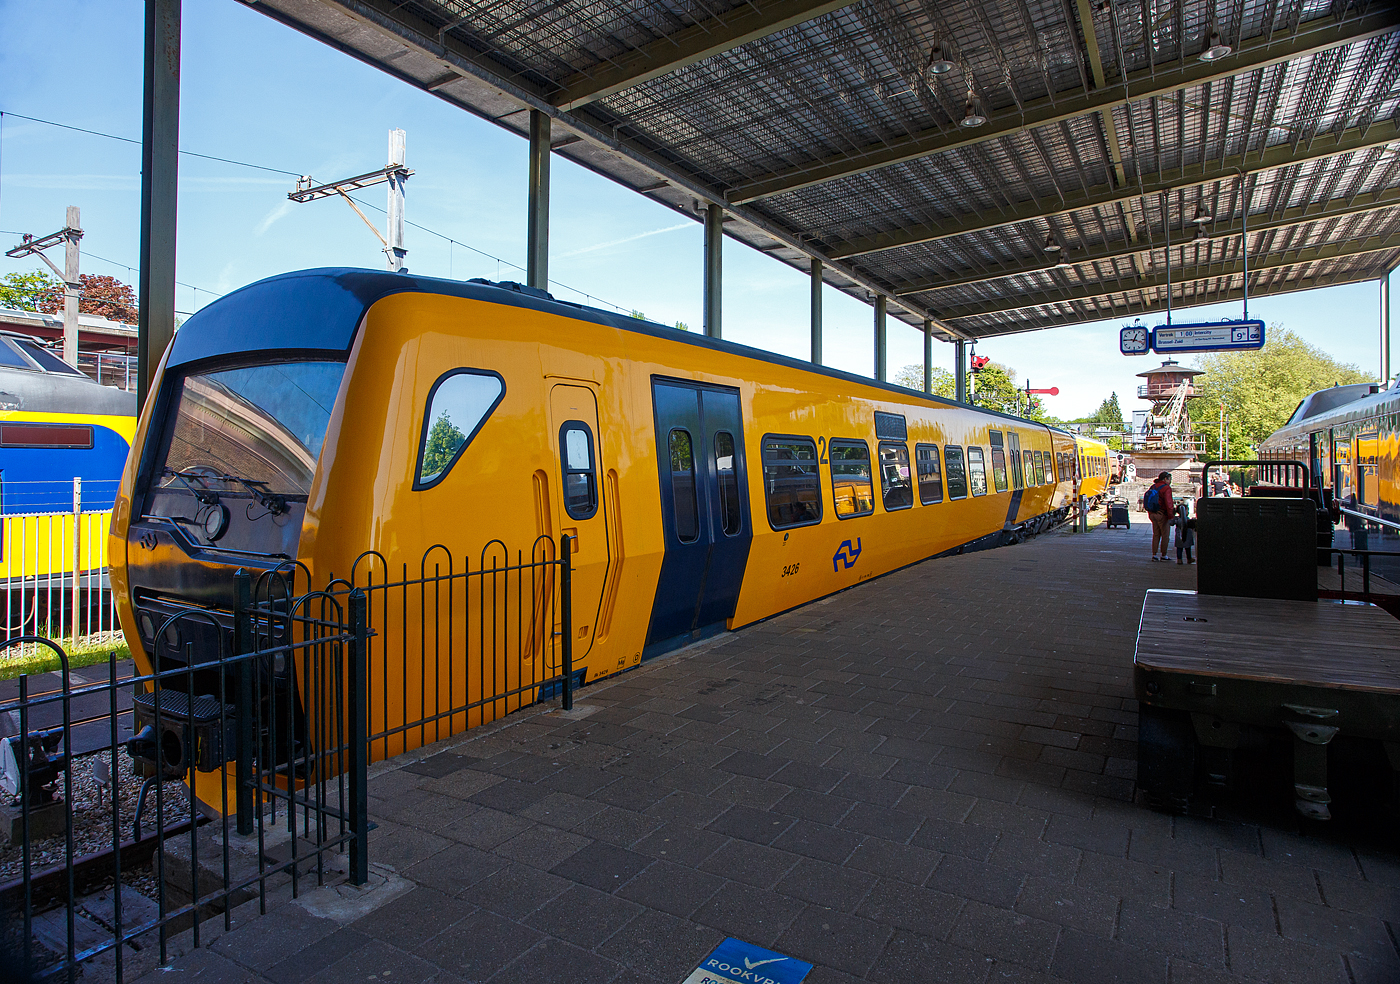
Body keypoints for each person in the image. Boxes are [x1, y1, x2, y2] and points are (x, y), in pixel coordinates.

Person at [1143, 471, 1174, 561]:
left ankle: (1154, 554)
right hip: (1162, 514)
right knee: (1165, 535)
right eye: (1169, 479)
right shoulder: (1166, 488)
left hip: (1152, 514)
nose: (1170, 481)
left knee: (1156, 535)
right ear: (1165, 479)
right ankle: (1164, 555)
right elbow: (1169, 503)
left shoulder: (1153, 486)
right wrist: (1171, 516)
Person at [1173, 499, 1195, 564]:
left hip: (1179, 536)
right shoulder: (1187, 520)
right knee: (1188, 548)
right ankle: (1189, 558)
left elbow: (1171, 522)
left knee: (1179, 548)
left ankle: (1179, 559)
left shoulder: (1177, 519)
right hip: (1187, 536)